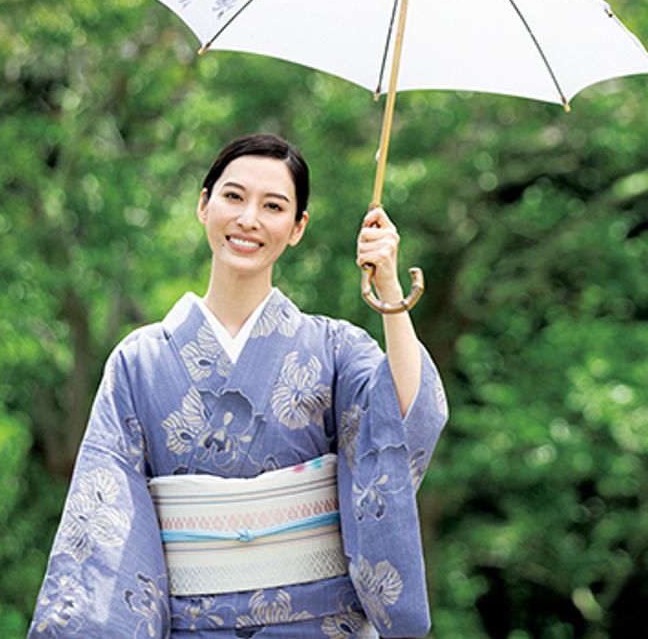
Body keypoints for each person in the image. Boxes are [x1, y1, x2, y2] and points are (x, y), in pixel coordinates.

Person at [29, 133, 447, 637]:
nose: (249, 219)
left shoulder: (334, 347)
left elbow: (402, 421)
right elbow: (106, 528)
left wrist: (389, 289)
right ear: (204, 205)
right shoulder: (138, 362)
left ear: (297, 228)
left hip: (318, 626)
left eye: (273, 206)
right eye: (233, 196)